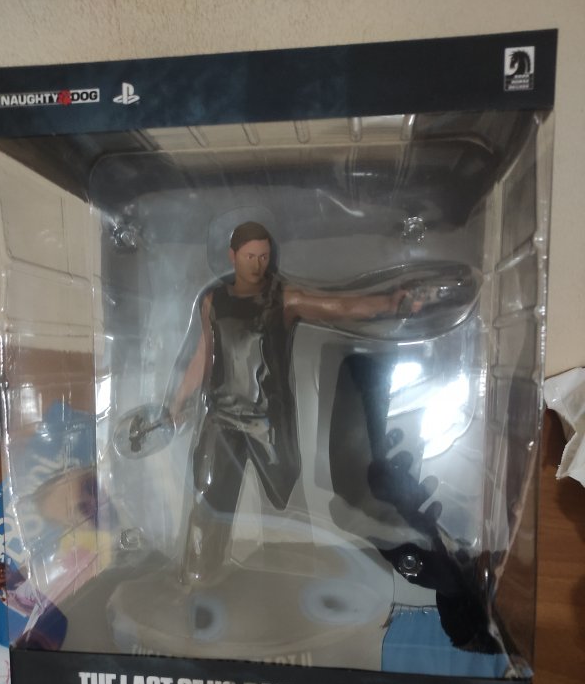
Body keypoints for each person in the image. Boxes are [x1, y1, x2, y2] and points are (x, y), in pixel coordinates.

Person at [129, 221, 422, 586]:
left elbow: (337, 306)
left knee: (285, 500)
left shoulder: (283, 297)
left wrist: (390, 304)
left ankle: (290, 578)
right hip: (220, 416)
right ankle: (197, 576)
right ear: (233, 256)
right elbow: (204, 354)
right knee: (206, 496)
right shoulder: (212, 301)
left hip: (267, 420)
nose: (257, 265)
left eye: (264, 256)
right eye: (250, 256)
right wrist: (176, 404)